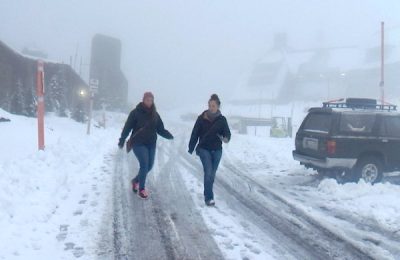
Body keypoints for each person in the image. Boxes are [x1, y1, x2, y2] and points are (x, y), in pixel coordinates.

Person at [118, 92, 173, 199]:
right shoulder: (135, 113)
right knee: (144, 164)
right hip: (138, 143)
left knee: (149, 166)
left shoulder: (155, 115)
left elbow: (160, 129)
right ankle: (141, 189)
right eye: (147, 100)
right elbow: (127, 127)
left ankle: (135, 181)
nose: (149, 102)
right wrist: (122, 139)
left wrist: (169, 135)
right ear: (143, 100)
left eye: (151, 100)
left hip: (151, 143)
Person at [188, 94, 231, 206]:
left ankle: (208, 192)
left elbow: (227, 133)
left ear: (218, 106)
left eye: (213, 105)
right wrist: (191, 147)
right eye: (210, 105)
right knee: (208, 172)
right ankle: (209, 198)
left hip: (217, 150)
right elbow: (195, 133)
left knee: (212, 174)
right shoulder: (201, 118)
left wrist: (225, 138)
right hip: (204, 149)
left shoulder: (222, 120)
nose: (211, 107)